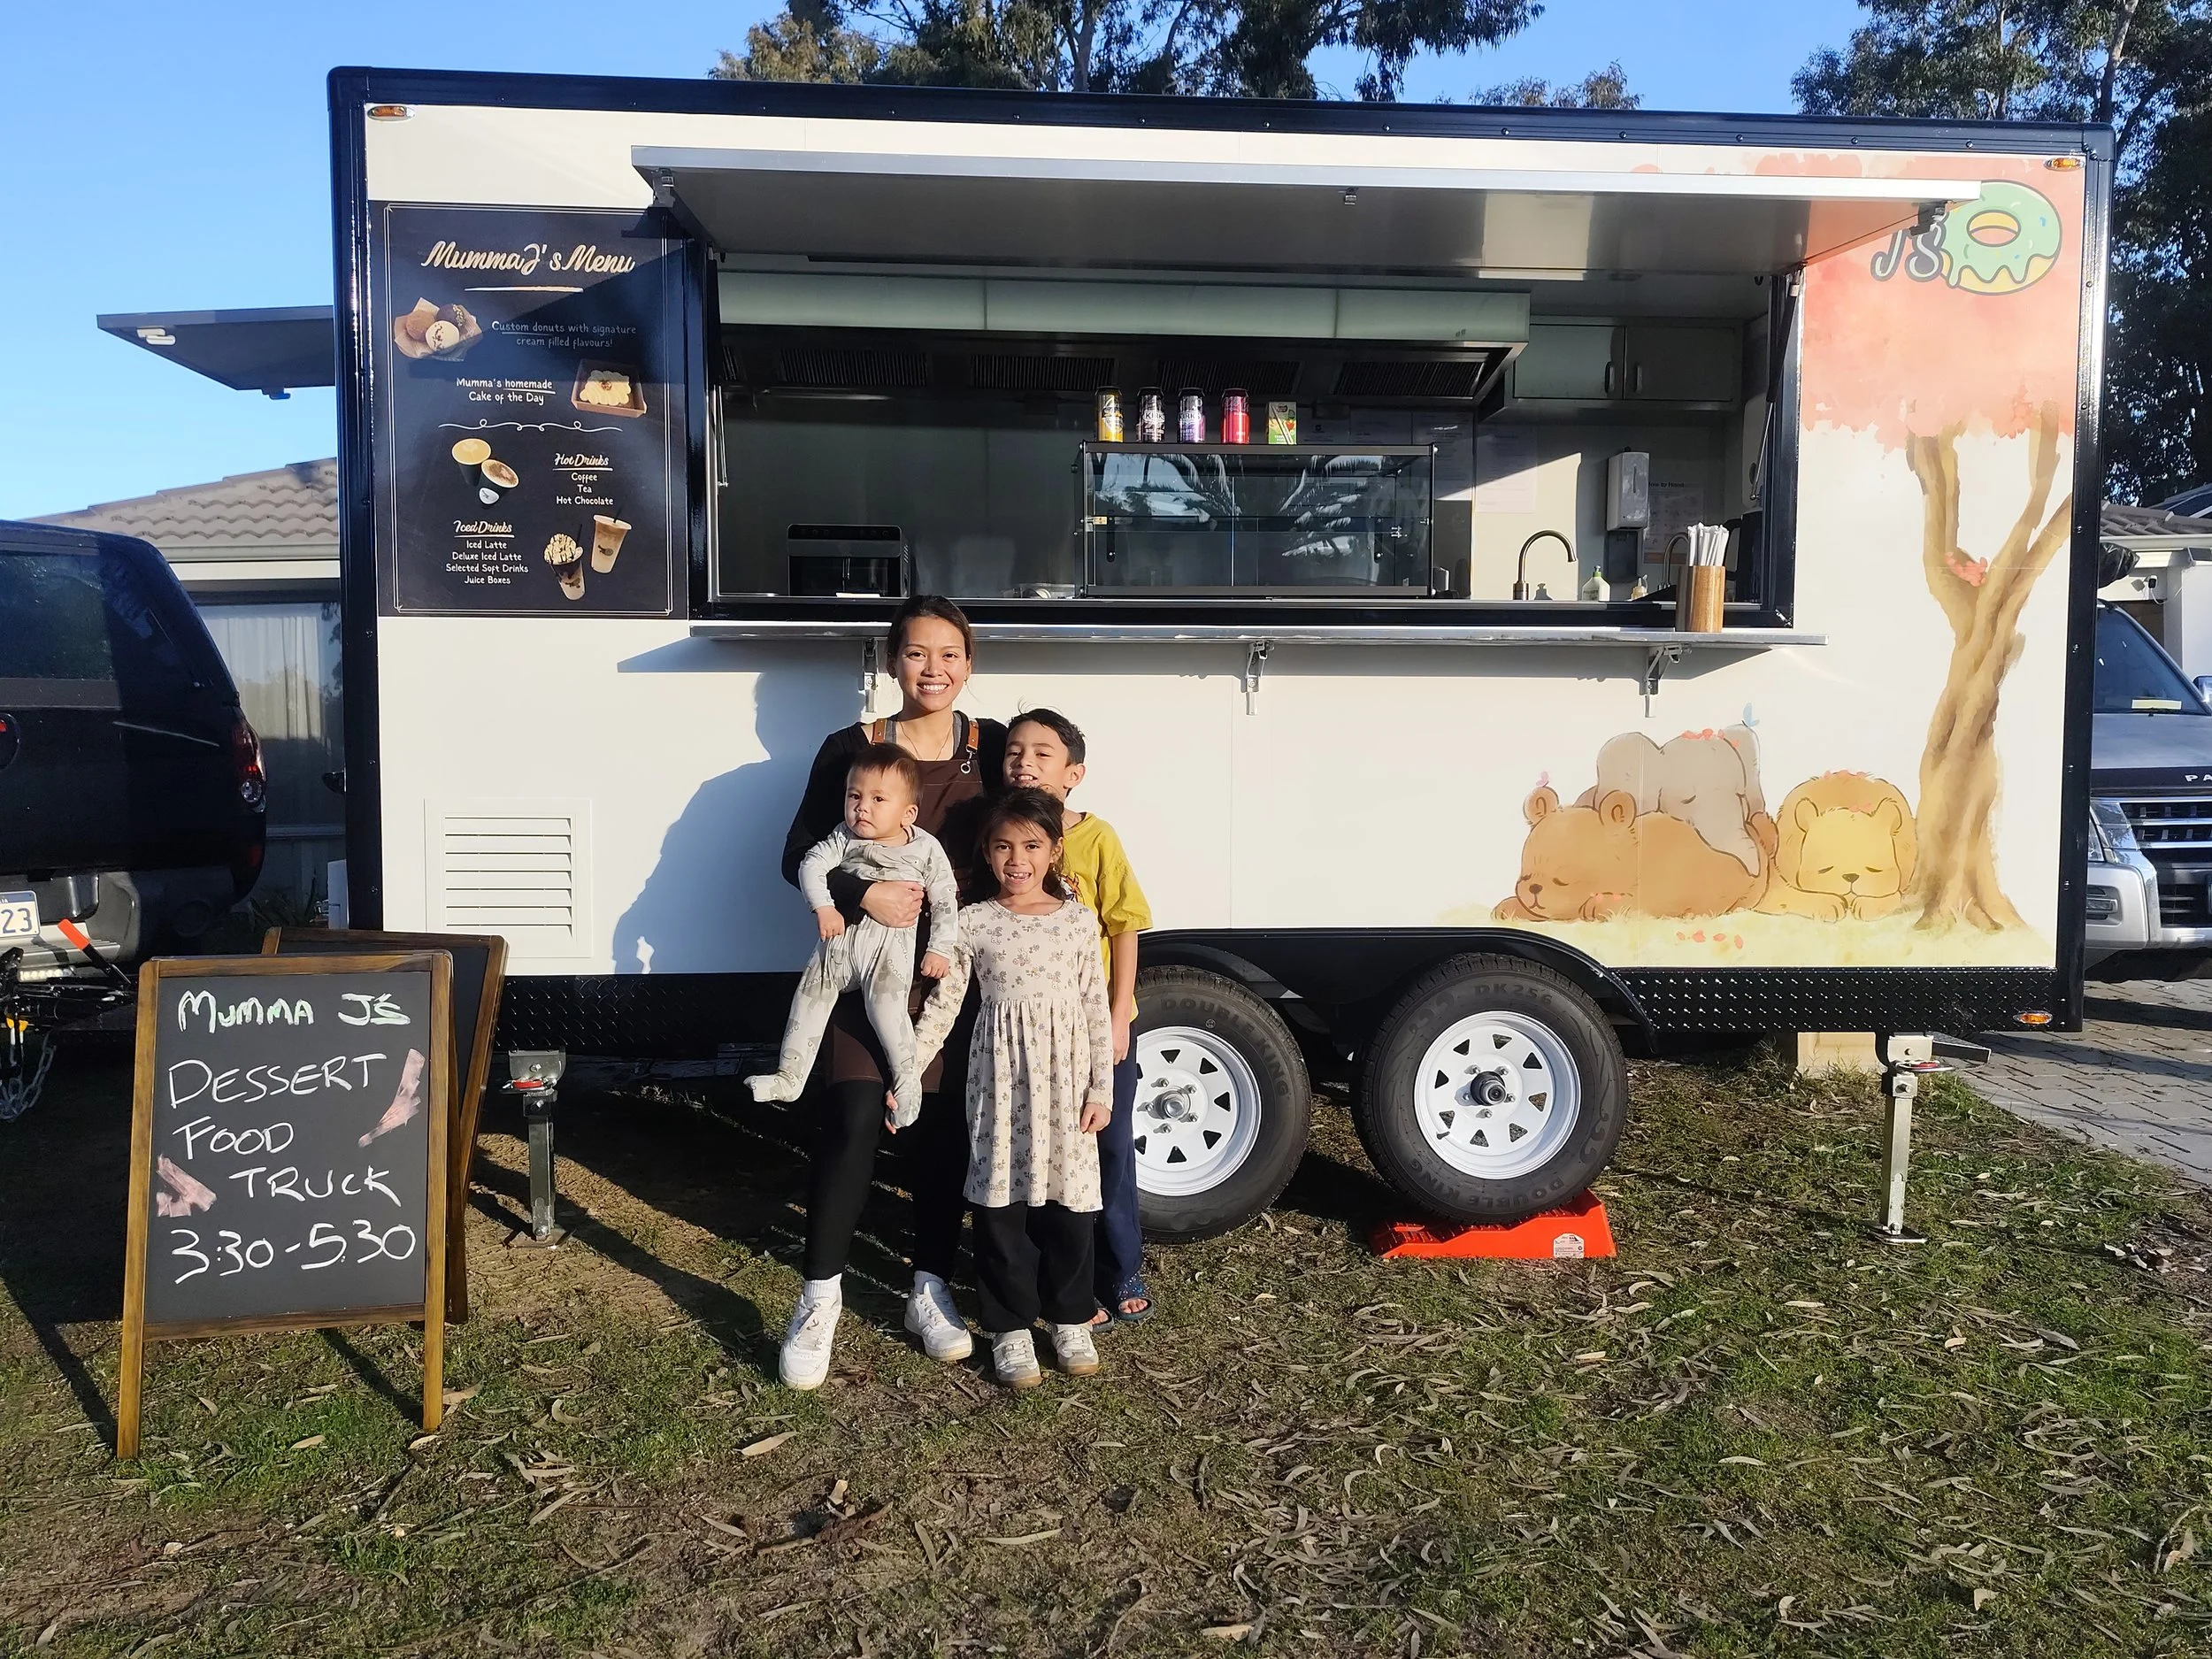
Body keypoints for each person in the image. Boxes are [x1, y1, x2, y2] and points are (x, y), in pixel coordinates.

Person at [775, 596, 1005, 1392]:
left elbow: (1035, 826)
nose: (932, 668)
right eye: (914, 653)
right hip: (864, 966)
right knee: (851, 1119)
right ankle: (820, 1296)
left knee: (943, 1135)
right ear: (890, 662)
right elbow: (796, 854)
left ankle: (928, 1287)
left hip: (949, 975)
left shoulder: (995, 746)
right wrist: (860, 893)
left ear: (969, 664)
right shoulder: (851, 748)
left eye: (948, 653)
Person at [913, 788, 1114, 1388]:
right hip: (1000, 1084)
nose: (1016, 858)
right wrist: (908, 1072)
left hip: (1067, 1084)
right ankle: (1009, 1327)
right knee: (1002, 1207)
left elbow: (1095, 1007)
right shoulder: (973, 922)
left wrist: (1100, 1086)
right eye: (1002, 845)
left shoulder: (1079, 921)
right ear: (986, 850)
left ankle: (1070, 1317)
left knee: (1070, 1207)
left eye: (1031, 845)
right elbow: (945, 1006)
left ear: (1054, 850)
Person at [1003, 710, 1154, 1326]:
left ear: (1074, 773)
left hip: (1097, 1026)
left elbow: (1126, 924)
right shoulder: (1002, 837)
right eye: (1014, 751)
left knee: (1111, 1147)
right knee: (1044, 1152)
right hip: (1031, 1029)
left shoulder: (1097, 837)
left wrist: (1120, 1014)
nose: (1025, 761)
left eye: (1042, 752)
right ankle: (1057, 1276)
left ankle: (1121, 1268)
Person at [747, 745, 958, 1125]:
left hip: (887, 953)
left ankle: (907, 1083)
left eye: (878, 799)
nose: (862, 807)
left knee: (888, 1015)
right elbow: (810, 864)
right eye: (854, 796)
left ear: (908, 812)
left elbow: (945, 900)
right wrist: (823, 907)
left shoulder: (925, 848)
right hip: (838, 946)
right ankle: (789, 1077)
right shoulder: (842, 837)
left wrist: (940, 948)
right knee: (807, 1002)